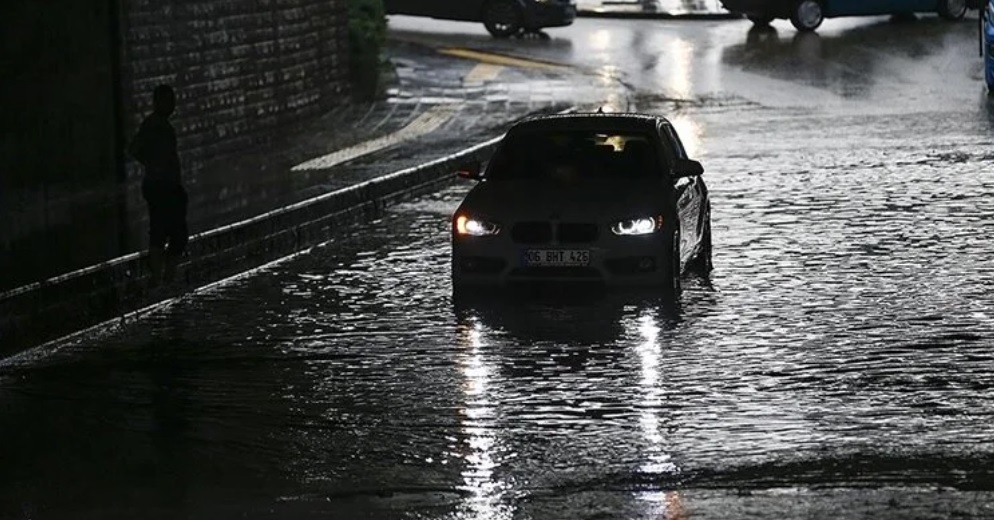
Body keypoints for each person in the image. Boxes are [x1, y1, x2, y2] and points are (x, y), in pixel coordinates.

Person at [128, 85, 188, 283]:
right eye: (167, 101)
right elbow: (135, 149)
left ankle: (164, 275)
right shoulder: (154, 125)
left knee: (168, 231)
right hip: (161, 186)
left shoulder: (160, 125)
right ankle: (161, 276)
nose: (172, 105)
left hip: (165, 185)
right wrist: (155, 165)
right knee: (165, 231)